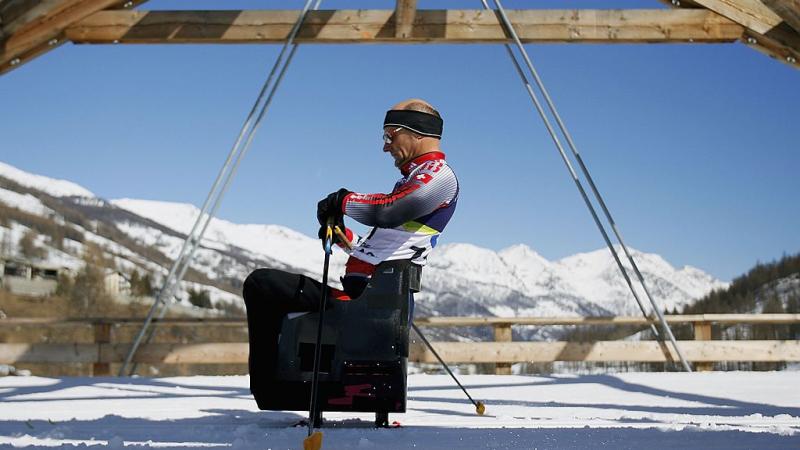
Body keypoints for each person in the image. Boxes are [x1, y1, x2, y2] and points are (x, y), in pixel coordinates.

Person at [242, 99, 459, 396]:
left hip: (374, 307)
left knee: (262, 285)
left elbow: (389, 211)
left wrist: (341, 199)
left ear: (416, 132)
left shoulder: (439, 176)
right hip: (368, 299)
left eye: (389, 136)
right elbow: (387, 245)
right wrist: (344, 236)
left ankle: (277, 391)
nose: (385, 147)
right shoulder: (414, 178)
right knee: (268, 288)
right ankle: (278, 389)